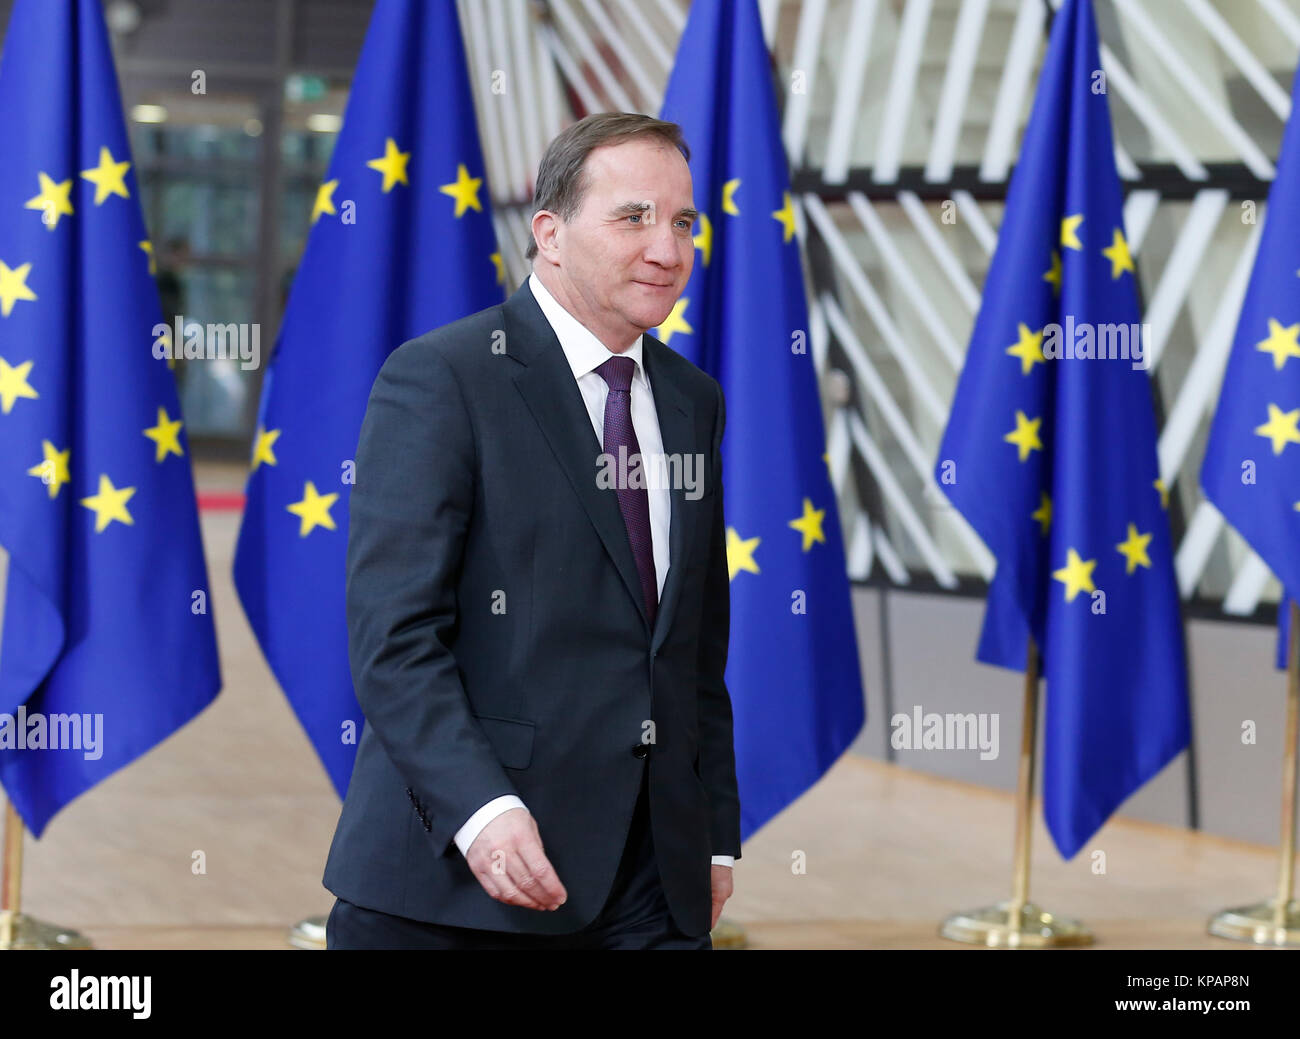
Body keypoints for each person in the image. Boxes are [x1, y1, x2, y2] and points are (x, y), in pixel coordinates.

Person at [322, 112, 741, 950]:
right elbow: (395, 638)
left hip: (654, 884)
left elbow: (692, 647)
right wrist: (481, 809)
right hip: (460, 885)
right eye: (634, 217)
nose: (669, 247)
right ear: (549, 233)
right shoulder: (444, 378)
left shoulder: (693, 400)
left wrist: (714, 830)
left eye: (684, 221)